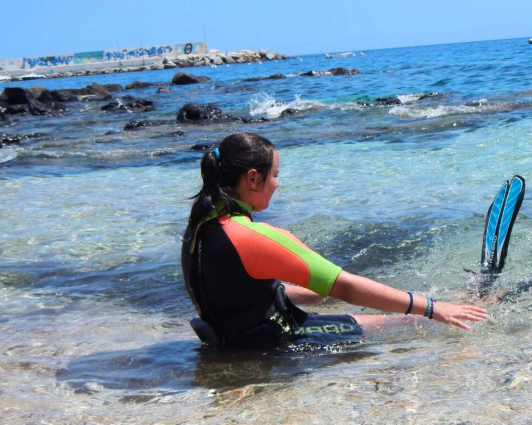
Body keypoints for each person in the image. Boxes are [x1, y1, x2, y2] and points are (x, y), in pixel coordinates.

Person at [182, 132, 487, 348]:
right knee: (415, 322)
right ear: (252, 178)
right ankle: (472, 306)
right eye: (274, 174)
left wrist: (307, 293)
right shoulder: (251, 236)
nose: (277, 183)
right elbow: (348, 287)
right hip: (274, 343)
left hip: (236, 338)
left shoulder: (201, 225)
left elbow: (232, 291)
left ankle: (463, 304)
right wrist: (432, 308)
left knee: (345, 309)